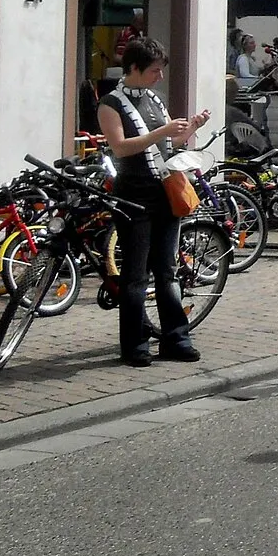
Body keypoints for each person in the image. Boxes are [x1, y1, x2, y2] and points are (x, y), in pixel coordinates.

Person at [97, 37, 210, 366]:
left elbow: (170, 142)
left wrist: (189, 128)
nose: (159, 77)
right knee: (135, 275)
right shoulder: (110, 104)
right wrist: (162, 133)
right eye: (154, 71)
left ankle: (176, 338)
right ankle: (135, 345)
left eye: (161, 71)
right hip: (133, 195)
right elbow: (120, 147)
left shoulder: (153, 100)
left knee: (168, 270)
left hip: (163, 191)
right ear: (134, 68)